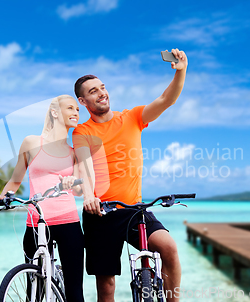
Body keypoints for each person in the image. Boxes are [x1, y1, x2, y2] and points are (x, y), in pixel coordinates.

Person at [72, 49, 188, 302]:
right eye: (93, 91)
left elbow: (166, 100)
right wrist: (89, 196)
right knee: (107, 286)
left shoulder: (132, 117)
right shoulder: (82, 131)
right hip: (100, 213)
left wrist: (181, 72)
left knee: (168, 248)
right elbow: (85, 165)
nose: (102, 93)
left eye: (102, 87)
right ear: (83, 102)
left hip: (135, 210)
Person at [0, 95, 85, 302]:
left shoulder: (73, 152)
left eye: (78, 109)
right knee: (34, 292)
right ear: (55, 112)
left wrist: (72, 182)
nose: (76, 112)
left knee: (75, 292)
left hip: (68, 223)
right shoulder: (31, 143)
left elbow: (79, 190)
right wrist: (1, 197)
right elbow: (15, 181)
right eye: (70, 108)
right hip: (36, 223)